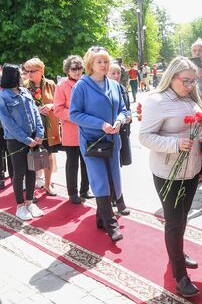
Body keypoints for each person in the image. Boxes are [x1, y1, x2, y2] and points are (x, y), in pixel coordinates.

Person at [139, 57, 202, 298]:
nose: (190, 85)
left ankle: (177, 254)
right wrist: (174, 143)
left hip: (191, 170)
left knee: (183, 217)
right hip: (168, 172)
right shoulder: (157, 102)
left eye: (193, 81)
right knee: (173, 220)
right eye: (186, 81)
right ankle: (180, 277)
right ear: (172, 77)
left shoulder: (192, 99)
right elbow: (145, 137)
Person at [69, 46, 128, 242]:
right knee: (100, 179)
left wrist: (120, 120)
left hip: (112, 139)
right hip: (92, 141)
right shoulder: (81, 86)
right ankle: (111, 224)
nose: (103, 65)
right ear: (90, 65)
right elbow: (74, 114)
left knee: (113, 178)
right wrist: (100, 124)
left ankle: (101, 219)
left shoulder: (114, 85)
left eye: (106, 61)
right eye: (99, 62)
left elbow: (123, 109)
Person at [0, 64, 45, 220]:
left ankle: (30, 202)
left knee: (32, 170)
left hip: (33, 139)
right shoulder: (3, 96)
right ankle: (20, 206)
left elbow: (35, 113)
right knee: (19, 173)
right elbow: (8, 123)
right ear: (12, 76)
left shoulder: (25, 92)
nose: (23, 76)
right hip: (16, 141)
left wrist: (39, 133)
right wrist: (26, 140)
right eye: (20, 74)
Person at [53, 55, 91, 204]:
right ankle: (72, 192)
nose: (77, 71)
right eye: (74, 69)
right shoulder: (62, 86)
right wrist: (76, 116)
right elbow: (58, 109)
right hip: (72, 130)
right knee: (73, 162)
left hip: (88, 130)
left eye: (79, 68)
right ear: (67, 71)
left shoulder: (88, 83)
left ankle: (85, 190)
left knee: (87, 162)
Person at [23, 57, 62, 197]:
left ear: (41, 70)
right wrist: (35, 110)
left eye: (32, 71)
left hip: (49, 127)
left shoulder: (51, 84)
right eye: (27, 71)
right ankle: (30, 189)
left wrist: (51, 106)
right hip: (31, 127)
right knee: (33, 157)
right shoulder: (24, 86)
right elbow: (22, 108)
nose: (29, 74)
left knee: (48, 155)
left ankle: (47, 185)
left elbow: (60, 102)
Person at [108, 64, 132, 168]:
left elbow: (127, 106)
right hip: (113, 129)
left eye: (118, 73)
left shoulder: (122, 88)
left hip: (124, 128)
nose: (116, 75)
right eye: (113, 73)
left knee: (120, 158)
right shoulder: (106, 89)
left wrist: (129, 116)